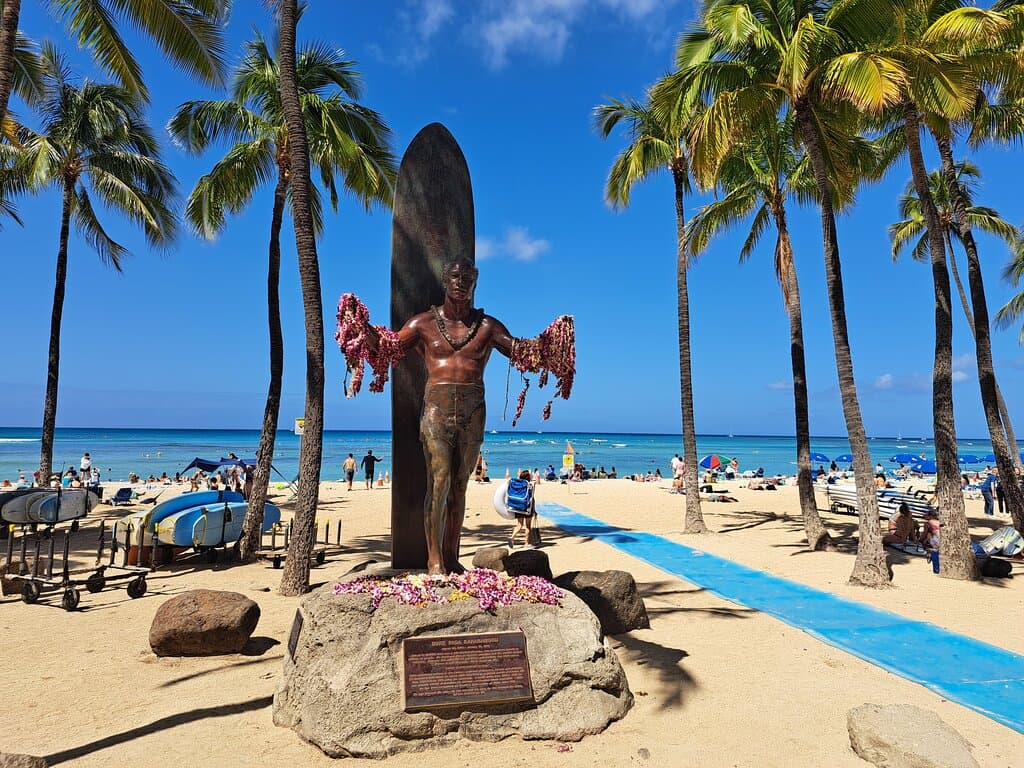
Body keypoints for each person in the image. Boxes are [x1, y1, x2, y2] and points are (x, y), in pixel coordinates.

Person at [507, 470, 537, 549]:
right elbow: (531, 498)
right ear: (528, 477)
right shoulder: (529, 485)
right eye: (530, 475)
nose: (531, 476)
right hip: (527, 507)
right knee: (528, 526)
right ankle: (526, 543)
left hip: (518, 506)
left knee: (519, 525)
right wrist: (534, 509)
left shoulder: (517, 485)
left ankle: (512, 537)